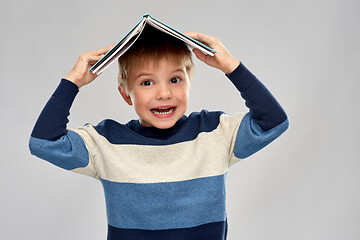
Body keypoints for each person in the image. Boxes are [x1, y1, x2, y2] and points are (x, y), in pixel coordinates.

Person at [29, 27, 289, 240]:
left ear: (189, 83)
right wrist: (72, 82)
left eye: (175, 80)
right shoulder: (106, 143)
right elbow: (44, 143)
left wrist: (231, 66)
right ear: (125, 93)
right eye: (147, 82)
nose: (164, 93)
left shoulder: (213, 133)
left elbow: (273, 122)